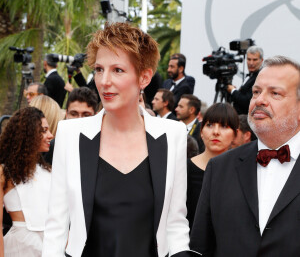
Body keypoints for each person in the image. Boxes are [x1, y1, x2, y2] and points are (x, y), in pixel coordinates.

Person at [42, 22, 197, 257]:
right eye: (99, 69)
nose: (104, 81)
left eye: (118, 70)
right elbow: (56, 227)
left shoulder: (172, 135)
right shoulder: (70, 134)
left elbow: (175, 224)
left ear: (144, 77)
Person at [190, 56, 300, 256]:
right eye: (256, 91)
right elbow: (200, 247)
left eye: (275, 93)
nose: (259, 100)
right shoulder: (219, 168)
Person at [0, 107, 53, 256]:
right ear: (27, 134)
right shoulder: (4, 172)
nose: (50, 135)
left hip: (51, 243)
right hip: (20, 247)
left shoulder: (48, 170)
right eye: (44, 130)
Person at [186, 103, 239, 229]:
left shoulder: (243, 172)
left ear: (235, 135)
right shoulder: (184, 169)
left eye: (224, 126)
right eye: (209, 125)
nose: (215, 132)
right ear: (201, 131)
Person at [43, 87, 99, 165]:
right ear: (66, 114)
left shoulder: (103, 149)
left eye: (86, 115)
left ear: (96, 117)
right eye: (74, 114)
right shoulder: (54, 147)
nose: (79, 119)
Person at [227, 46, 264, 114]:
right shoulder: (251, 75)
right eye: (249, 59)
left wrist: (233, 91)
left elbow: (247, 101)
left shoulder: (260, 77)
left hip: (246, 120)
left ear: (261, 60)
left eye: (254, 60)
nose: (251, 63)